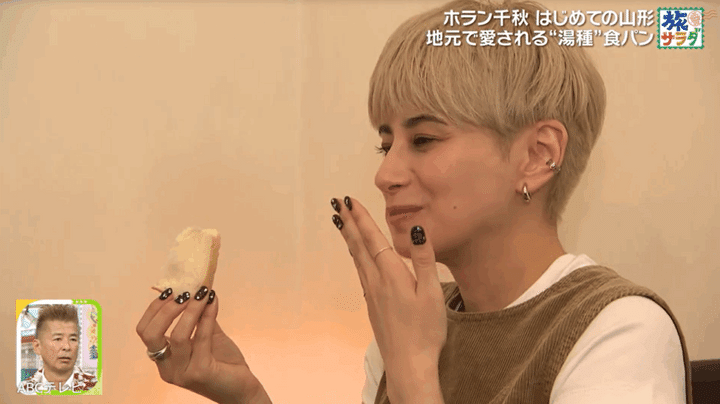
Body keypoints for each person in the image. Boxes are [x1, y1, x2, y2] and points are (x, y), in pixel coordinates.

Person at [136, 0, 692, 403]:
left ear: (537, 155)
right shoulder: (412, 320)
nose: (384, 175)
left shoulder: (619, 330)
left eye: (423, 139)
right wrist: (245, 395)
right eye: (386, 144)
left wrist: (414, 375)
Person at [19, 304, 98, 393]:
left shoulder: (96, 387)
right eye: (57, 339)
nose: (67, 347)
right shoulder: (24, 390)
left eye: (73, 339)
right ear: (37, 346)